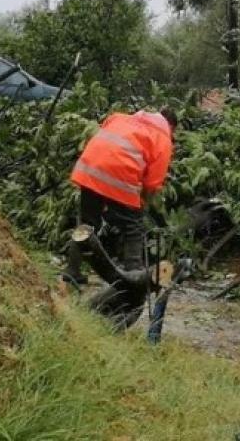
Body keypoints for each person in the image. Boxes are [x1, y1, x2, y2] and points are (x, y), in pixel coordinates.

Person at [65, 107, 177, 327]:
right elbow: (152, 184)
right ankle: (133, 274)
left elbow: (106, 145)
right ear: (171, 127)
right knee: (134, 227)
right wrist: (142, 204)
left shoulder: (121, 118)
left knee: (87, 227)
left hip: (89, 168)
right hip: (118, 176)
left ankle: (71, 273)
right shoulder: (163, 138)